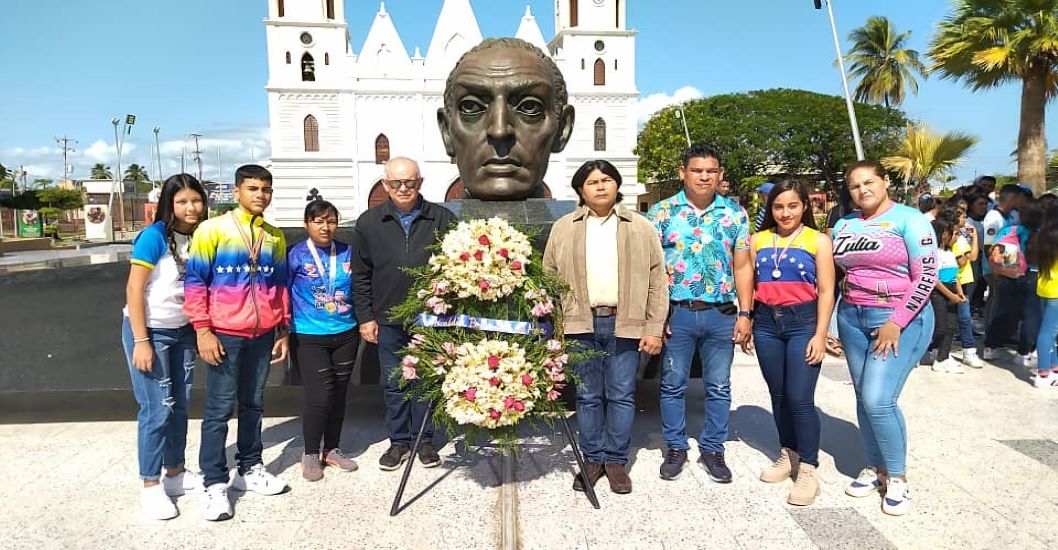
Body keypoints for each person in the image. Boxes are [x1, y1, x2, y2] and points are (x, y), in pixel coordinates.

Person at [543, 159, 668, 494]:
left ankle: (615, 461)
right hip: (579, 323)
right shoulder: (564, 227)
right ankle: (592, 458)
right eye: (592, 181)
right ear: (580, 190)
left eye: (606, 179)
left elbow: (658, 279)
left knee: (622, 395)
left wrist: (654, 328)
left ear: (616, 185)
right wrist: (555, 325)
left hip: (624, 322)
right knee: (586, 396)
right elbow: (550, 278)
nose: (600, 186)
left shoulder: (639, 227)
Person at [184, 164, 291, 521]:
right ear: (236, 192)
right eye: (253, 189)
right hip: (224, 333)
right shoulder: (212, 230)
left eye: (266, 189)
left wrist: (282, 330)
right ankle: (214, 483)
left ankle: (250, 468)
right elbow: (196, 283)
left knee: (253, 404)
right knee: (217, 409)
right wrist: (202, 330)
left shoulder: (274, 236)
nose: (261, 195)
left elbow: (279, 288)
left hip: (262, 334)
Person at [832, 160, 937, 516]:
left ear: (884, 181)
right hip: (851, 316)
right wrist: (833, 326)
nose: (862, 190)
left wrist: (897, 321)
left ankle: (897, 477)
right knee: (863, 396)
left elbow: (926, 275)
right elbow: (839, 277)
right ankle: (875, 467)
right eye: (854, 186)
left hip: (898, 318)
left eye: (868, 182)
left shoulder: (911, 219)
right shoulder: (844, 225)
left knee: (879, 399)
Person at [647, 143, 753, 483]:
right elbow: (652, 268)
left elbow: (743, 266)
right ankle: (676, 446)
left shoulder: (734, 215)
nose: (704, 176)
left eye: (711, 171)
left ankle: (713, 448)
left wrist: (746, 313)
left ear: (720, 174)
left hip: (720, 314)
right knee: (673, 382)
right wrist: (656, 315)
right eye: (697, 170)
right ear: (683, 173)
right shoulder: (662, 214)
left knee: (719, 385)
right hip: (676, 313)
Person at [351, 157, 457, 471]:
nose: (403, 188)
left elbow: (458, 267)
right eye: (396, 183)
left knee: (425, 381)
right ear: (385, 185)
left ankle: (424, 440)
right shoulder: (369, 222)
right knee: (394, 383)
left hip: (430, 319)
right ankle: (398, 441)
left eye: (409, 182)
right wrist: (366, 317)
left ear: (420, 183)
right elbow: (360, 274)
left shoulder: (441, 218)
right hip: (387, 320)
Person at [121, 174, 207, 519]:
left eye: (196, 200)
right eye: (183, 201)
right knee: (156, 409)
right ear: (169, 204)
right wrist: (141, 341)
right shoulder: (153, 237)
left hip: (183, 331)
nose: (191, 208)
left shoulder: (200, 236)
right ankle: (150, 485)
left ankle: (175, 473)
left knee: (180, 405)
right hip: (151, 333)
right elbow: (133, 290)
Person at [746, 180, 835, 506]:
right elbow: (747, 279)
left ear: (804, 207)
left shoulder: (819, 241)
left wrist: (820, 334)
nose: (785, 213)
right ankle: (789, 452)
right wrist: (748, 317)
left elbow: (827, 290)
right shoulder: (758, 240)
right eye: (778, 206)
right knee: (779, 395)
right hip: (767, 323)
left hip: (803, 323)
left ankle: (809, 467)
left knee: (800, 398)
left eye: (792, 206)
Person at [437, 37, 574, 201]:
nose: (499, 131)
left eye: (529, 107)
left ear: (562, 130)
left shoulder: (580, 227)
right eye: (472, 107)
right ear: (446, 131)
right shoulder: (431, 225)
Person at [287, 197, 360, 481]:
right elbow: (282, 293)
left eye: (331, 221)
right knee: (320, 395)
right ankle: (309, 453)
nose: (325, 227)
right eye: (318, 221)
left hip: (345, 332)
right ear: (307, 224)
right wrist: (282, 331)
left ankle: (332, 448)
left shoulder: (348, 252)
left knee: (340, 393)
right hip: (308, 334)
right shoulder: (295, 255)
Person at [983, 198, 1042, 366]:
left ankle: (990, 346)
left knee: (1004, 312)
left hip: (1008, 275)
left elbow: (993, 251)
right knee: (1031, 316)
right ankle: (1023, 353)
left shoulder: (1009, 230)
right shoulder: (1040, 232)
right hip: (1033, 275)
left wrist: (997, 270)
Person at [942, 200, 983, 368]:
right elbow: (959, 262)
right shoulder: (952, 239)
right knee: (953, 320)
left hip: (963, 282)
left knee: (964, 319)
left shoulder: (962, 238)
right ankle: (944, 352)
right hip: (952, 281)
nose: (966, 218)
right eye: (963, 215)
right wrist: (963, 255)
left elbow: (972, 257)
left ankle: (968, 350)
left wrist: (975, 238)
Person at [924, 219, 966, 374]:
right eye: (954, 233)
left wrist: (959, 292)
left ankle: (943, 357)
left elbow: (955, 275)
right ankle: (924, 350)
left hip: (951, 290)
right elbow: (934, 279)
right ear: (943, 235)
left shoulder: (949, 252)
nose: (957, 236)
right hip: (938, 292)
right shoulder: (933, 253)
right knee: (940, 326)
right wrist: (950, 295)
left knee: (951, 326)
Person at [1032, 205, 1058, 388]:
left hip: (1044, 287)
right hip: (1055, 292)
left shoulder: (1043, 236)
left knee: (1051, 331)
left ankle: (1054, 367)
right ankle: (1043, 373)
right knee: (1048, 331)